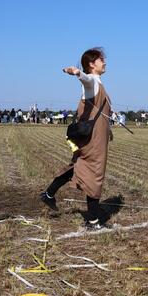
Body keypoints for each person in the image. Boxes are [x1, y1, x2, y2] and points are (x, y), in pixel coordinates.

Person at [40, 48, 112, 230]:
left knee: (80, 167)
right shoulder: (92, 82)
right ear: (91, 64)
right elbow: (86, 81)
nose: (104, 61)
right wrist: (78, 73)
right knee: (94, 173)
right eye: (101, 59)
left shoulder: (98, 84)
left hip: (96, 136)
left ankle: (49, 193)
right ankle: (93, 221)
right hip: (93, 139)